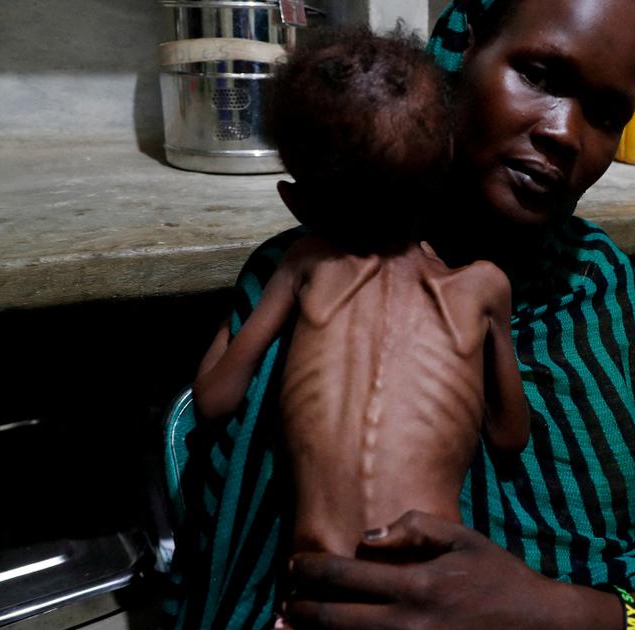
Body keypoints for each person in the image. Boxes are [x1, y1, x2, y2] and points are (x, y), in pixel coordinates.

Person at [164, 1, 635, 628]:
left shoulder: (595, 284)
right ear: (461, 53)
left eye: (606, 114)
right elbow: (242, 586)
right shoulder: (303, 274)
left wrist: (550, 611)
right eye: (539, 74)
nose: (565, 133)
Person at [190, 27, 531, 559]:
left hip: (317, 584)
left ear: (297, 205)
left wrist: (233, 319)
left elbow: (213, 399)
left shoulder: (304, 265)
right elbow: (510, 437)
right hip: (431, 584)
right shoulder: (483, 287)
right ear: (445, 174)